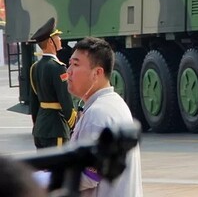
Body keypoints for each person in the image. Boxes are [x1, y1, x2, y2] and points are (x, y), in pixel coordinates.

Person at [66, 36, 143, 197]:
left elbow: (90, 174)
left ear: (97, 73)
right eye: (70, 64)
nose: (69, 71)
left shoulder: (98, 114)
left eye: (76, 64)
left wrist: (43, 178)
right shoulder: (113, 104)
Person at [28, 17, 77, 149]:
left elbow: (34, 103)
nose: (60, 39)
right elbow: (65, 100)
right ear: (50, 42)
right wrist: (74, 125)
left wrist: (39, 125)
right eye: (57, 36)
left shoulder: (34, 67)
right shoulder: (58, 67)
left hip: (40, 129)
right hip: (56, 129)